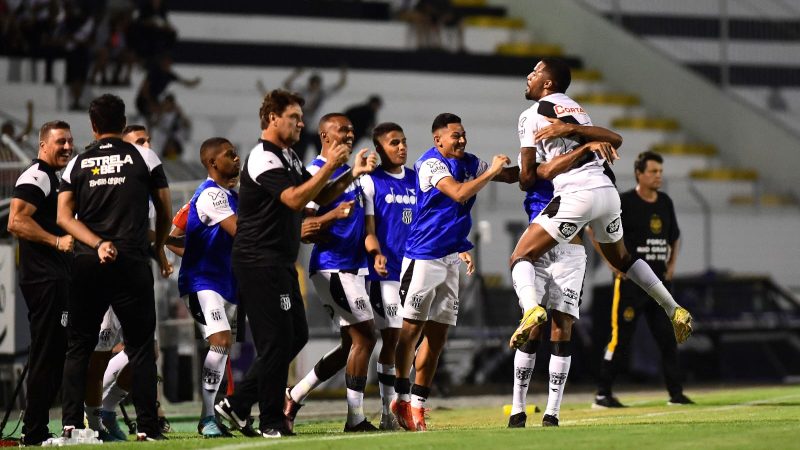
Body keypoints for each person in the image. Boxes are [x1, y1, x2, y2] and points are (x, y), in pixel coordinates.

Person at [507, 59, 692, 380]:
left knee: (521, 255)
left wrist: (509, 173)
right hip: (608, 191)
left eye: (535, 73)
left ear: (547, 84)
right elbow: (612, 138)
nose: (529, 76)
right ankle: (673, 307)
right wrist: (580, 138)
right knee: (622, 260)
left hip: (577, 194)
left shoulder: (530, 115)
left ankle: (532, 309)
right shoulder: (577, 110)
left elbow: (530, 177)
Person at [213, 89, 376, 439]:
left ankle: (238, 404)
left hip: (279, 262)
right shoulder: (263, 157)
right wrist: (331, 163)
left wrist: (350, 174)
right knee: (275, 342)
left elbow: (316, 194)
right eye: (294, 117)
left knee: (295, 335)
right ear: (272, 118)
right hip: (258, 259)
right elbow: (293, 199)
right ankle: (270, 420)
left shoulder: (287, 157)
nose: (301, 123)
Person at [56, 93, 173, 441]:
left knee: (79, 346)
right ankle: (149, 428)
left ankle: (72, 425)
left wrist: (95, 244)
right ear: (123, 123)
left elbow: (64, 217)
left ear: (93, 127)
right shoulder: (144, 157)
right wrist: (158, 243)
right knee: (140, 348)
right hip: (131, 260)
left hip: (88, 263)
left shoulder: (78, 163)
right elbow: (164, 208)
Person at [392, 113, 516, 431]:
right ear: (438, 140)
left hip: (450, 259)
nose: (461, 140)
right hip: (423, 257)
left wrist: (538, 165)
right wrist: (493, 171)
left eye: (463, 135)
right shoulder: (430, 164)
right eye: (455, 136)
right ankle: (400, 397)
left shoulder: (470, 162)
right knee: (410, 331)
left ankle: (418, 405)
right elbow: (459, 193)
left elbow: (510, 176)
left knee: (438, 338)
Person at [506, 96, 624, 428]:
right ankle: (518, 408)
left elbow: (598, 214)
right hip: (541, 251)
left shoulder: (583, 161)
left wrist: (586, 146)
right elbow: (524, 176)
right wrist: (490, 173)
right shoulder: (539, 157)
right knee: (533, 330)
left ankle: (552, 413)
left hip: (570, 250)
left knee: (562, 328)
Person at [286, 113, 379, 433]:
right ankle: (355, 419)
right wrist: (332, 216)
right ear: (325, 137)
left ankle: (293, 396)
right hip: (331, 266)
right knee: (367, 336)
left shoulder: (353, 174)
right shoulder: (313, 172)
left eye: (352, 130)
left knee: (348, 346)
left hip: (353, 268)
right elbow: (304, 227)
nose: (350, 134)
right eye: (343, 130)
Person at [593, 151, 692, 408]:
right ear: (639, 173)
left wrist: (672, 265)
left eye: (660, 171)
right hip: (630, 286)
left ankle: (676, 395)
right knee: (621, 340)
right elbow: (595, 229)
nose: (658, 176)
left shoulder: (665, 203)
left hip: (660, 285)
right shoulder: (624, 202)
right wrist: (611, 263)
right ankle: (602, 394)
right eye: (653, 171)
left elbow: (675, 237)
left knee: (668, 340)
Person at [8, 120, 75, 447]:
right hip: (44, 278)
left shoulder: (51, 177)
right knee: (48, 353)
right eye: (60, 142)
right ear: (43, 145)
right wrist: (55, 241)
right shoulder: (37, 176)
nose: (66, 147)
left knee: (51, 352)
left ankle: (38, 428)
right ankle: (34, 431)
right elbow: (16, 220)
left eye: (69, 141)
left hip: (52, 277)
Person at [178, 137, 241, 436]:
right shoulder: (212, 196)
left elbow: (177, 235)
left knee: (224, 347)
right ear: (214, 162)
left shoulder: (231, 196)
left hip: (226, 282)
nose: (237, 158)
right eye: (230, 154)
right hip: (203, 281)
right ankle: (206, 419)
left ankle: (216, 413)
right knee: (220, 339)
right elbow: (241, 234)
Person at [363, 122, 416, 429]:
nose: (401, 147)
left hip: (414, 274)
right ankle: (388, 413)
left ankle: (401, 407)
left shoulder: (416, 180)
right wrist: (375, 254)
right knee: (394, 338)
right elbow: (368, 230)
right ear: (380, 148)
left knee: (408, 340)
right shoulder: (371, 182)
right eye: (394, 142)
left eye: (404, 141)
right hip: (383, 275)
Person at [282, 66, 347, 161]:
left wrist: (343, 73)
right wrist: (297, 73)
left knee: (324, 155)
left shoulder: (322, 93)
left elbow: (340, 85)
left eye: (316, 85)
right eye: (313, 84)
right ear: (310, 84)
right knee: (299, 154)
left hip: (318, 130)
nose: (314, 87)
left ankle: (325, 173)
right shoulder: (303, 92)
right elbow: (287, 84)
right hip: (304, 128)